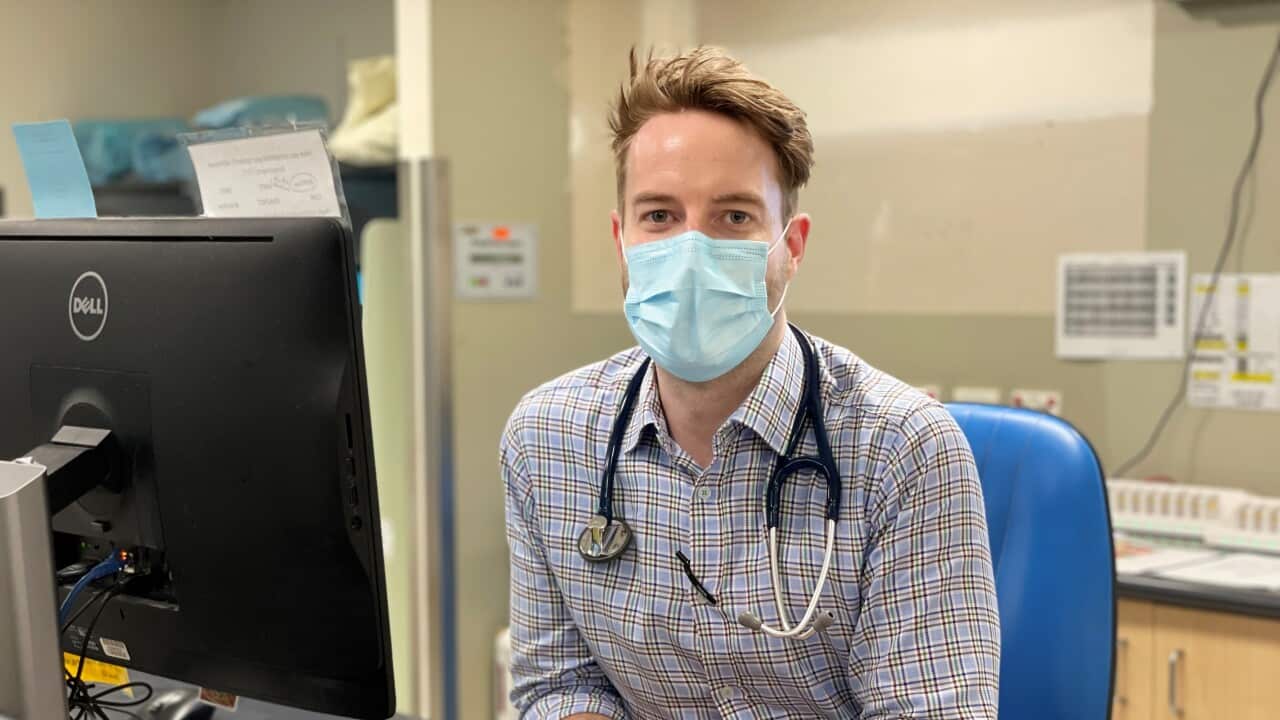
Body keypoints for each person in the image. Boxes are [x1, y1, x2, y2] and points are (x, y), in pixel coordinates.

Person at [502, 46, 1000, 719]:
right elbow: (560, 687)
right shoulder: (546, 440)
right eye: (660, 216)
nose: (691, 249)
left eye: (733, 217)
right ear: (621, 241)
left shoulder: (902, 449)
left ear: (790, 246)